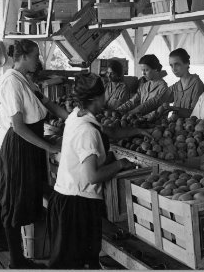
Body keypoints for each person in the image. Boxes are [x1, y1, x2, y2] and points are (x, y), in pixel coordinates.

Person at [47, 73, 151, 269]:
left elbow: (107, 132)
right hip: (77, 205)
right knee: (74, 263)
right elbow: (92, 176)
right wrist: (121, 164)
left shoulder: (77, 115)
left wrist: (136, 131)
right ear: (97, 98)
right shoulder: (87, 132)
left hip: (65, 197)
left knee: (74, 261)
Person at [0, 39, 68, 269]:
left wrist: (74, 118)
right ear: (23, 57)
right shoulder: (11, 82)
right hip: (19, 146)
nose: (39, 60)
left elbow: (50, 105)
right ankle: (16, 261)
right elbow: (19, 127)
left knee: (23, 198)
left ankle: (20, 257)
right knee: (14, 201)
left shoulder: (26, 80)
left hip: (30, 145)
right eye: (35, 56)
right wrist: (50, 147)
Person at [163, 48, 204, 118]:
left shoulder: (197, 84)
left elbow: (195, 113)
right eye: (171, 65)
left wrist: (173, 108)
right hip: (175, 126)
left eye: (177, 64)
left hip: (191, 126)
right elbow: (159, 99)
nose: (174, 69)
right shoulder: (176, 86)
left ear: (187, 64)